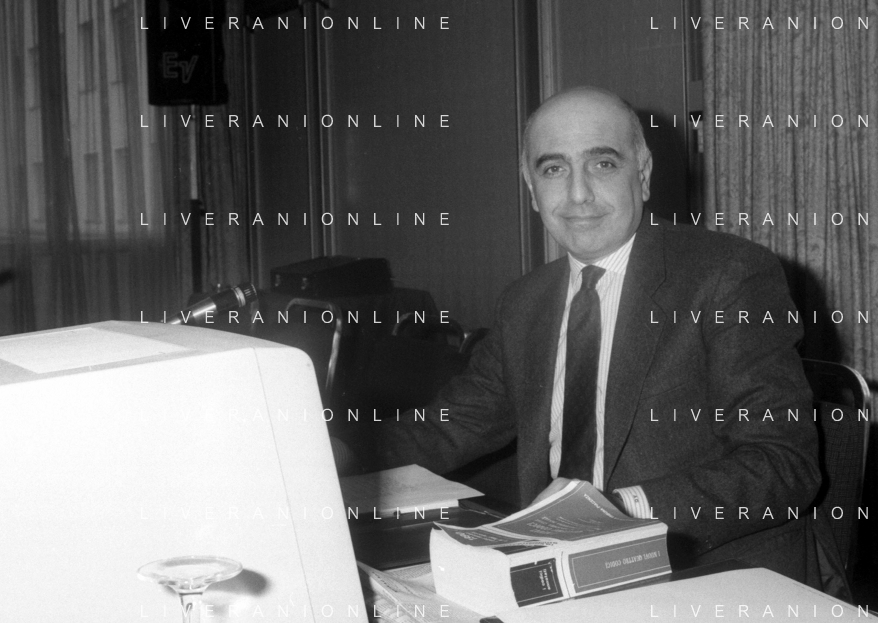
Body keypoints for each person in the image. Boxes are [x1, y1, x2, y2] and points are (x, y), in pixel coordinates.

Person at [359, 86, 843, 591]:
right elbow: (450, 426)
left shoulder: (728, 276)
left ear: (644, 174)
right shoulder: (525, 302)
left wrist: (612, 509)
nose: (578, 194)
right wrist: (338, 451)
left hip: (702, 572)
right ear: (531, 189)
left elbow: (782, 465)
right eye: (554, 169)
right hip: (556, 568)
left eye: (603, 164)